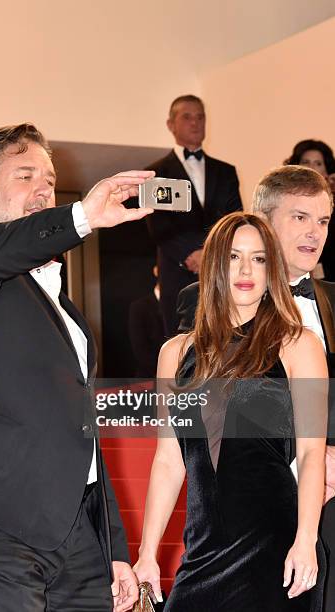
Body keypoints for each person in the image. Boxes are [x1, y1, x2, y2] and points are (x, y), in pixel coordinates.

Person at [0, 123, 156, 612]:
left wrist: (115, 550)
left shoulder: (65, 311)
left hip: (73, 532)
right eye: (25, 175)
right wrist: (83, 215)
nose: (43, 187)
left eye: (49, 178)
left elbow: (79, 428)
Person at [134, 212, 328, 610]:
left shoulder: (297, 345)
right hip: (202, 549)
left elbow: (311, 454)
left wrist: (305, 539)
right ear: (214, 265)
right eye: (234, 257)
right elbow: (170, 461)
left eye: (258, 259)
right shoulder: (174, 354)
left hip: (274, 545)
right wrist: (148, 553)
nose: (246, 269)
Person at [177, 166, 335, 611]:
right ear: (262, 220)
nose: (314, 233)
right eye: (300, 217)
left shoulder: (333, 300)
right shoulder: (200, 300)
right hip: (245, 517)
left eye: (323, 221)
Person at [146, 94, 242, 336]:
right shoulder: (154, 173)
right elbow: (159, 226)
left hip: (220, 272)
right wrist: (190, 254)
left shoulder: (226, 172)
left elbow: (235, 219)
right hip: (177, 274)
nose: (195, 122)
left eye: (200, 117)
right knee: (181, 345)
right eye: (187, 117)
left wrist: (210, 256)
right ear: (171, 125)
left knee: (225, 340)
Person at [284, 140, 335, 281]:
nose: (311, 167)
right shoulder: (283, 200)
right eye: (306, 162)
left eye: (318, 163)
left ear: (327, 171)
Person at [128, 265, 165, 378]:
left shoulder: (186, 304)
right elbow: (141, 351)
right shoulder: (139, 307)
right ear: (156, 271)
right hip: (148, 381)